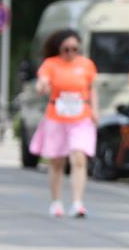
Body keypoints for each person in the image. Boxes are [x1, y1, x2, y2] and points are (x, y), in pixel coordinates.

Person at [29, 29, 99, 218]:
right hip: (56, 118)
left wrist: (95, 111)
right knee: (57, 161)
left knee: (79, 158)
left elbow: (92, 89)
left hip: (81, 117)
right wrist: (42, 85)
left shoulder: (87, 65)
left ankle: (77, 203)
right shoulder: (51, 64)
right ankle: (56, 202)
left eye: (74, 49)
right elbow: (42, 81)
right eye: (66, 49)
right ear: (59, 48)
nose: (70, 52)